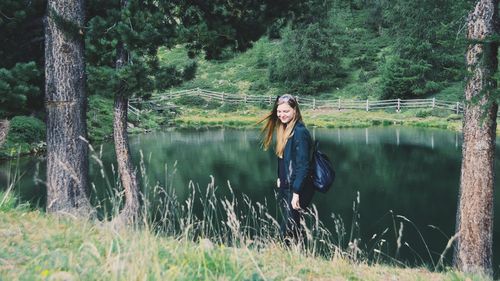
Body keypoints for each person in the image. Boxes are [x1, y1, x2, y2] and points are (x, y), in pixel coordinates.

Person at [259, 94, 315, 243]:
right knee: (293, 224)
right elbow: (282, 157)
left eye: (286, 111)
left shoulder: (300, 132)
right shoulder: (285, 130)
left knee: (288, 226)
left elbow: (303, 165)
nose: (281, 115)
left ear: (294, 111)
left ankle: (283, 253)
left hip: (298, 187)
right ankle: (297, 256)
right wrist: (280, 177)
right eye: (279, 111)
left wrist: (296, 192)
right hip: (287, 185)